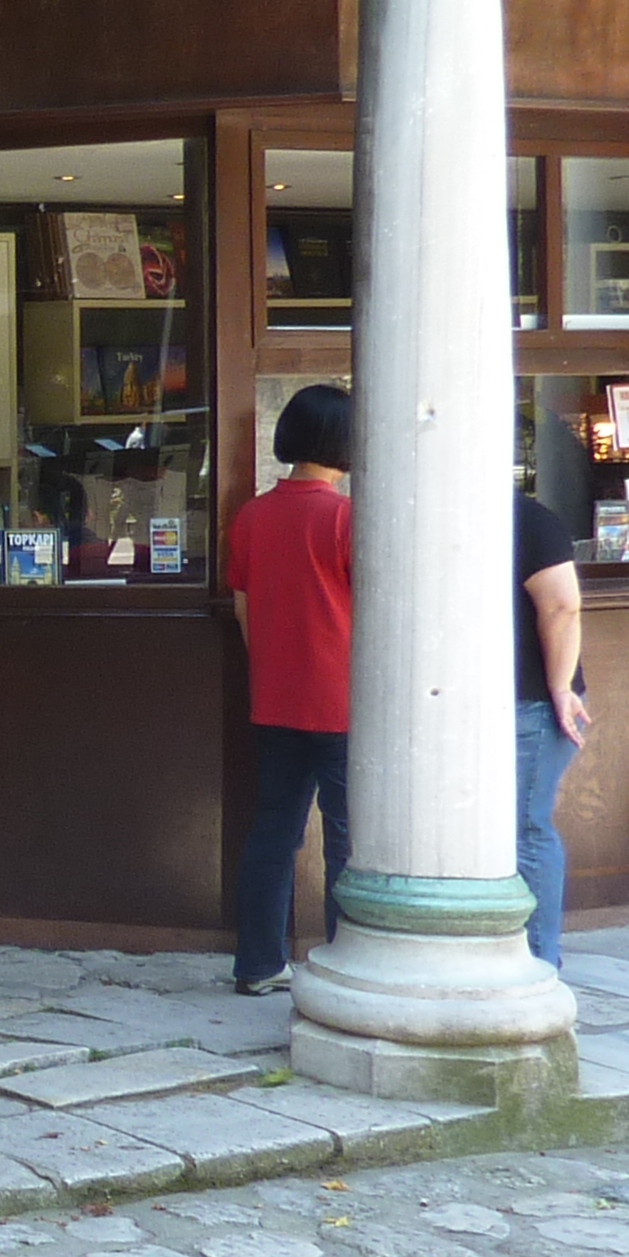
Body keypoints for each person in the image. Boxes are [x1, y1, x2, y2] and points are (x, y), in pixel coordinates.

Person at [225, 384, 355, 997]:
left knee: (272, 832)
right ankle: (346, 961)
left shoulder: (251, 515)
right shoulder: (347, 518)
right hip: (343, 702)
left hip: (273, 698)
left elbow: (244, 609)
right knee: (348, 838)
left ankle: (258, 961)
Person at [516, 490, 591, 965]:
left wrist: (560, 688)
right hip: (492, 703)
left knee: (525, 829)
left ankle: (541, 963)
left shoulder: (527, 518)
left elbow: (563, 605)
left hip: (533, 702)